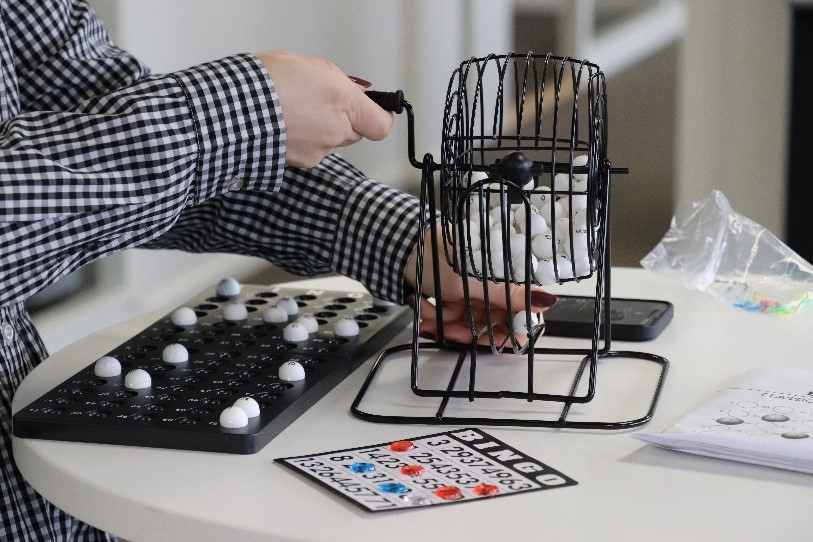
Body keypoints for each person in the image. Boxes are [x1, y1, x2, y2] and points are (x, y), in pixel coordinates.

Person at [0, 1, 556, 539]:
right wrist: (232, 116)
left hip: (47, 496)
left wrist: (413, 246)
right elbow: (121, 154)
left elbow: (99, 134)